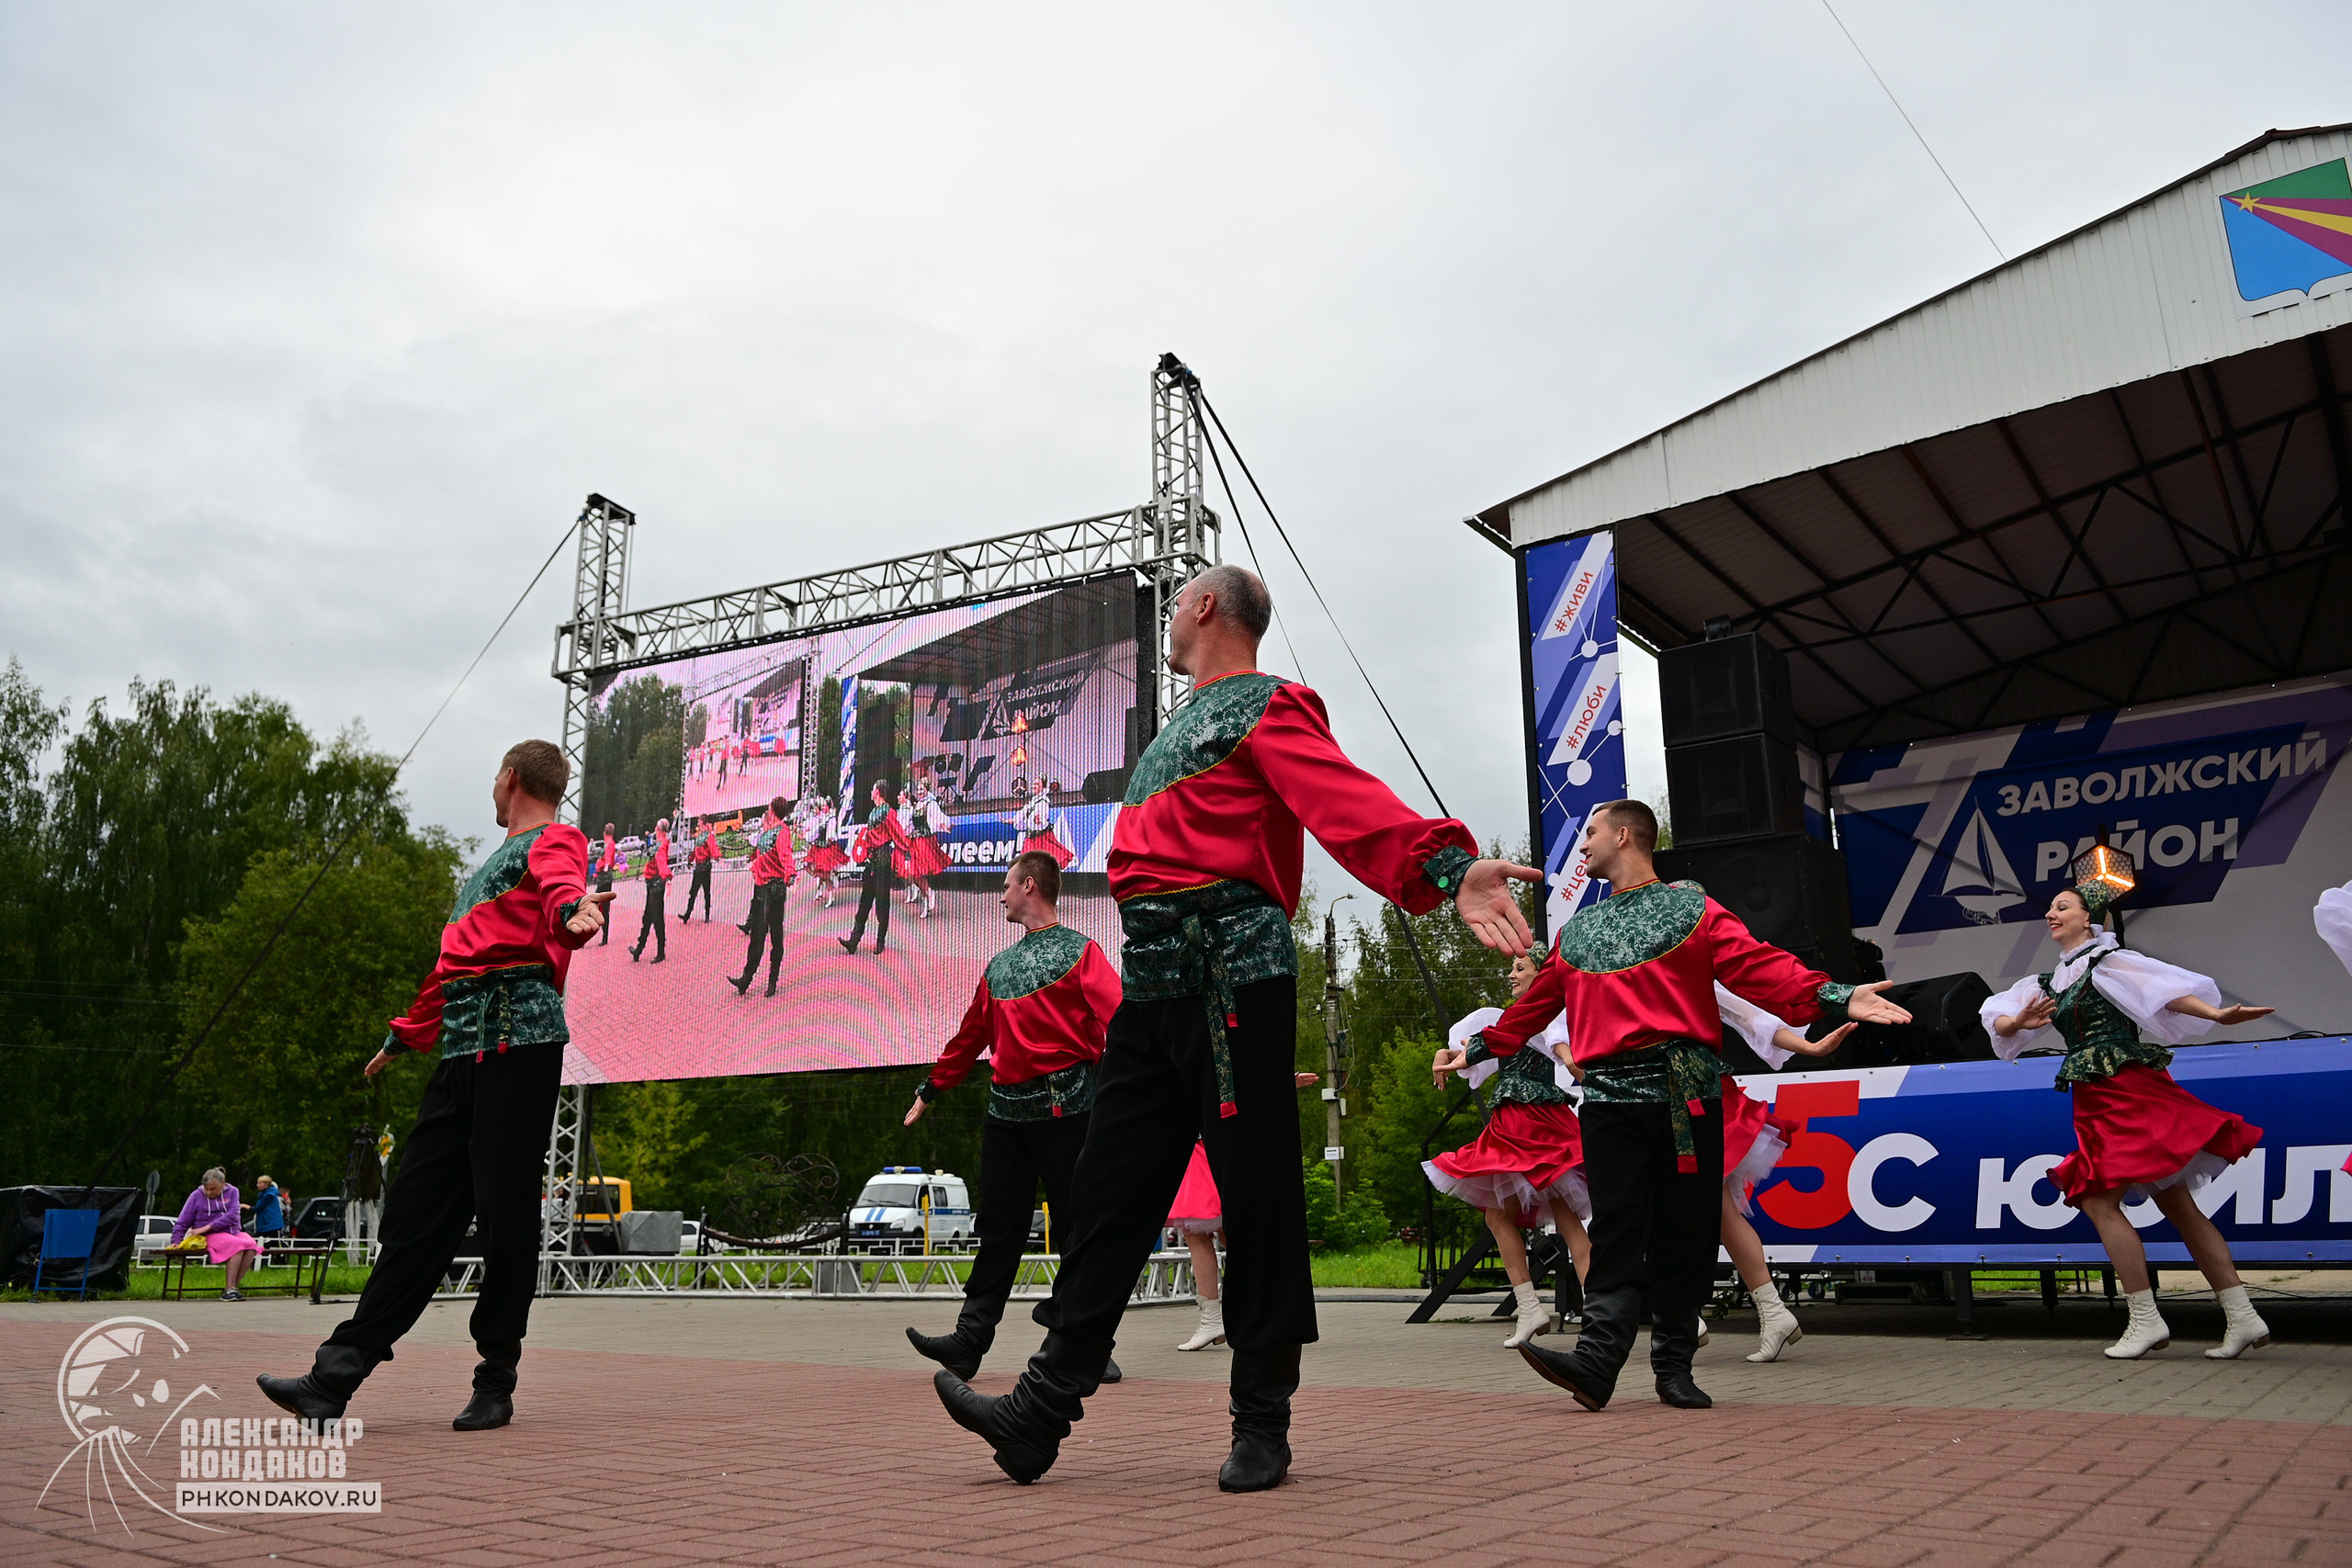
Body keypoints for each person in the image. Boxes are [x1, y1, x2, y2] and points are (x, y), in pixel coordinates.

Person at [932, 564, 1539, 1493]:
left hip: (1230, 974)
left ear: (1206, 608)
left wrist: (1447, 865)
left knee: (1254, 1198)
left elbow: (1345, 799)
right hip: (1153, 981)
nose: (1170, 620)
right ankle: (1038, 1413)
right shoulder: (1178, 727)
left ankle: (1262, 1421)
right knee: (1108, 1193)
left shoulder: (1265, 705)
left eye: (1175, 605)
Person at [1476, 800, 1913, 1413]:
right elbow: (1534, 1007)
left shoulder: (1692, 909)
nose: (1583, 845)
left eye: (1592, 832)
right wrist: (1476, 1046)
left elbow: (1758, 968)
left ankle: (1674, 1365)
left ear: (1625, 835)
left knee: (1686, 1229)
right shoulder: (1576, 934)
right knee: (1618, 1227)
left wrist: (1835, 995)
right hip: (1607, 1100)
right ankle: (1598, 1362)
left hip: (1685, 1096)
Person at [257, 739, 613, 1433]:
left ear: (508, 778)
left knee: (506, 1211)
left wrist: (573, 910)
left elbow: (561, 884)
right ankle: (334, 1377)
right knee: (417, 1213)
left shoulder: (553, 839)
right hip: (462, 1053)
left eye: (494, 776)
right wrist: (403, 1033)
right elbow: (454, 964)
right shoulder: (483, 874)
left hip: (520, 1043)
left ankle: (495, 1377)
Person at [1984, 875, 2276, 1360]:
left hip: (2123, 1090)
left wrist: (2216, 1014)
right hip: (2097, 1097)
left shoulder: (2107, 960)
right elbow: (1999, 1018)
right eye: (2049, 910)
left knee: (2097, 1198)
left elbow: (2162, 992)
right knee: (2178, 1206)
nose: (2051, 915)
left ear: (2086, 919)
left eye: (2062, 907)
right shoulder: (2046, 982)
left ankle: (2146, 1320)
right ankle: (2243, 1316)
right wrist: (2018, 1022)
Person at [903, 852, 1124, 1382]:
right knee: (999, 1228)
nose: (999, 895)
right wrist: (932, 1088)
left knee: (1078, 1231)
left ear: (1030, 886)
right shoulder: (998, 966)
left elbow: (1123, 1023)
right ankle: (968, 1342)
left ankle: (1084, 1345)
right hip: (1006, 1116)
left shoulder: (1082, 952)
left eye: (1005, 886)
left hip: (1067, 1112)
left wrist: (1140, 1092)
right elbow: (970, 1036)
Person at [1427, 953, 1594, 1349]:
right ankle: (1536, 1307)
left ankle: (1596, 1312)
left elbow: (1557, 1042)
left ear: (1541, 973)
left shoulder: (1546, 1015)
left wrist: (1572, 1062)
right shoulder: (1499, 1018)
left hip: (1531, 1122)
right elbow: (1472, 1057)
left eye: (1520, 968)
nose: (1511, 974)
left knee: (1568, 1226)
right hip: (1518, 1123)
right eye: (1512, 968)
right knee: (1501, 1217)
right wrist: (1443, 1054)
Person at [1709, 984, 1876, 1363]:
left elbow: (1750, 1017)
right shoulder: (1611, 969)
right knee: (1709, 1209)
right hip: (1643, 1101)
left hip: (1697, 1098)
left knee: (1710, 1207)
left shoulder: (1687, 964)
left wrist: (1812, 1049)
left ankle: (1748, 1311)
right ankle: (1767, 1312)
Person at [1168, 1067, 1324, 1354]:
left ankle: (1250, 1312)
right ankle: (1223, 1317)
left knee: (1228, 1232)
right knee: (1202, 1233)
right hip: (1201, 1140)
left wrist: (1279, 1082)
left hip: (1217, 1140)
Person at [730, 796, 797, 998]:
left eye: (768, 808)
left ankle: (772, 980)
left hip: (774, 890)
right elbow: (762, 856)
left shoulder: (782, 833)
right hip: (762, 888)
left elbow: (786, 856)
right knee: (758, 935)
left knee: (776, 935)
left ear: (773, 810)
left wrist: (790, 874)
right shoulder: (768, 833)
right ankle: (745, 979)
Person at [840, 780, 913, 956]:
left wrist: (908, 853)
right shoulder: (874, 812)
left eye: (873, 789)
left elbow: (898, 835)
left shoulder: (889, 812)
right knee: (864, 902)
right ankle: (854, 941)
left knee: (882, 902)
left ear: (878, 792)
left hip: (882, 862)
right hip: (871, 862)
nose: (871, 792)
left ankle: (880, 941)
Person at [171, 1168, 263, 1300]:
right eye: (206, 1189)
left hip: (232, 1231)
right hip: (209, 1235)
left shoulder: (233, 1192)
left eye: (213, 1189)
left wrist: (206, 1227)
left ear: (223, 1183)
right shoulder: (196, 1195)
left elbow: (233, 1215)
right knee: (237, 1245)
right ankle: (229, 1288)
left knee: (251, 1245)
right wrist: (176, 1240)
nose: (208, 1192)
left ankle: (231, 1288)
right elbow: (183, 1220)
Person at [631, 818, 673, 963]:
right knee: (648, 917)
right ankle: (639, 949)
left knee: (656, 918)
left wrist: (667, 879)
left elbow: (662, 863)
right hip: (652, 885)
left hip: (656, 886)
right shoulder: (659, 843)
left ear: (659, 829)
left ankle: (659, 952)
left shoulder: (661, 845)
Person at [904, 787, 950, 918]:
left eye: (921, 789)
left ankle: (927, 898)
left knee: (921, 871)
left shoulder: (931, 804)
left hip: (924, 840)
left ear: (927, 790)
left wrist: (944, 825)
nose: (919, 792)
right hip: (914, 840)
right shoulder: (915, 806)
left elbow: (937, 818)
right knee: (913, 873)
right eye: (917, 789)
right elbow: (908, 825)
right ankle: (928, 892)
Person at [1015, 781, 1074, 870]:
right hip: (1031, 837)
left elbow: (1043, 817)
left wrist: (1040, 820)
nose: (1034, 786)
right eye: (1034, 784)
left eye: (1038, 785)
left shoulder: (1043, 801)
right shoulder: (1032, 801)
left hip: (1041, 836)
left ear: (1042, 787)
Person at [805, 795, 850, 907]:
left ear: (829, 807)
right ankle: (822, 886)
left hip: (827, 849)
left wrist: (830, 839)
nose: (823, 807)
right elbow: (815, 832)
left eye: (825, 806)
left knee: (824, 873)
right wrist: (809, 837)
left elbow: (831, 834)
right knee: (807, 865)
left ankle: (830, 896)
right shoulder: (822, 818)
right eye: (823, 806)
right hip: (819, 848)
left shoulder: (831, 819)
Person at [681, 821, 718, 924]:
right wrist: (690, 859)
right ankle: (690, 914)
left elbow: (712, 848)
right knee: (699, 891)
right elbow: (696, 851)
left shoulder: (706, 836)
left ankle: (693, 914)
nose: (698, 826)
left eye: (699, 823)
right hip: (701, 866)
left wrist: (717, 857)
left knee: (699, 891)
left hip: (703, 867)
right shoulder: (702, 836)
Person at [594, 823, 621, 945]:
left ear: (604, 833)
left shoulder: (609, 843)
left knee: (597, 903)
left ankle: (601, 935)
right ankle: (604, 936)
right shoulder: (610, 843)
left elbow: (609, 858)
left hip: (604, 877)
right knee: (604, 906)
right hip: (606, 877)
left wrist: (605, 866)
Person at [249, 1175, 288, 1247]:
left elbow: (258, 1208)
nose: (257, 1185)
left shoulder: (268, 1196)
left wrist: (246, 1207)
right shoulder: (267, 1194)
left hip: (269, 1223)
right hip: (270, 1222)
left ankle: (267, 1252)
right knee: (273, 1241)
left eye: (260, 1183)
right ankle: (276, 1255)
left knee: (256, 1241)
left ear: (266, 1184)